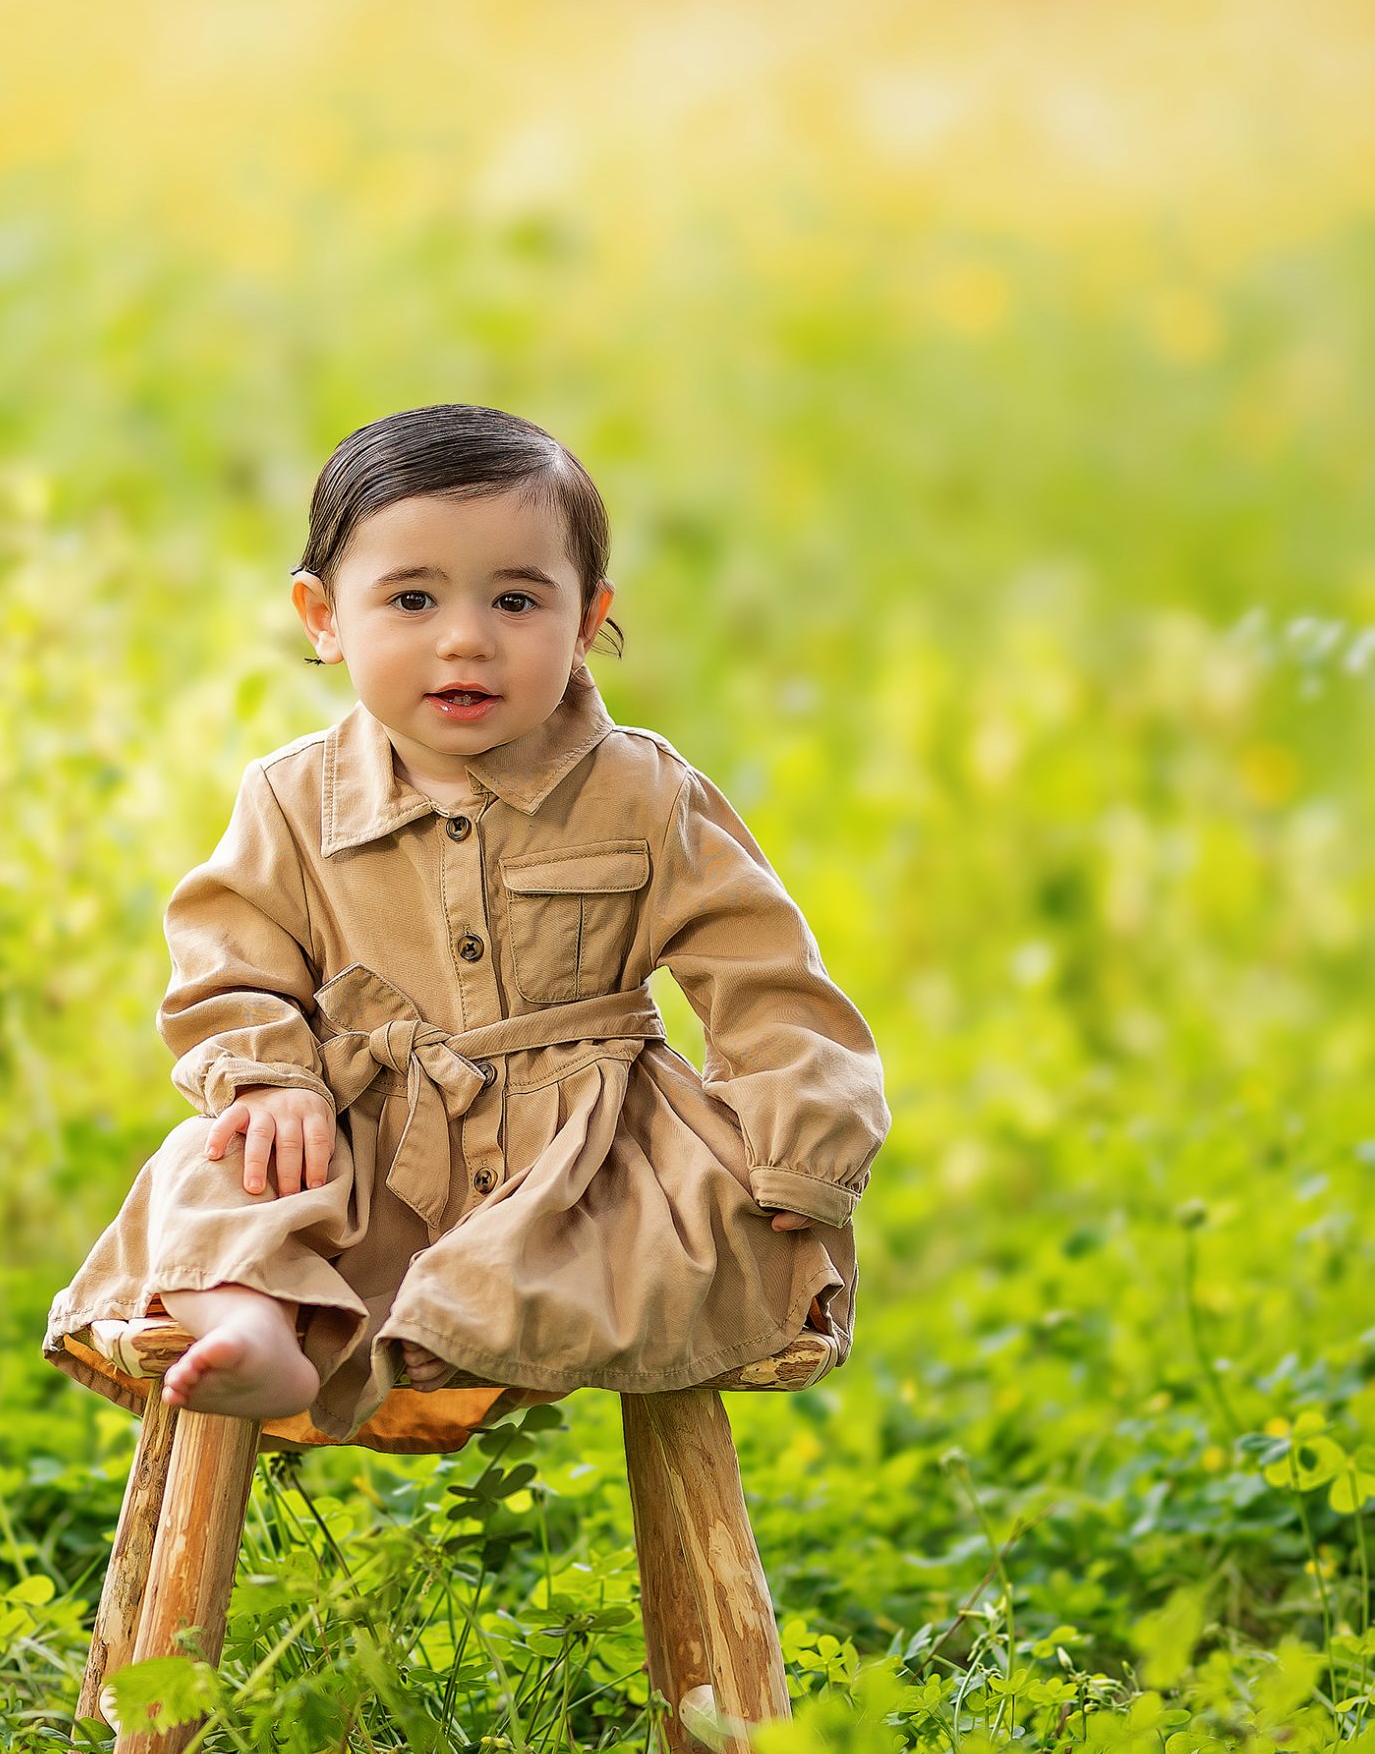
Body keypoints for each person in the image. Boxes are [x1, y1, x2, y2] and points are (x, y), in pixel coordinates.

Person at [43, 404, 891, 1454]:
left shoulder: (642, 794)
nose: (465, 639)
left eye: (516, 599)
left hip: (586, 1158)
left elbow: (766, 978)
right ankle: (250, 1321)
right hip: (367, 1141)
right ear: (322, 616)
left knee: (676, 1229)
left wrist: (798, 1145)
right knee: (205, 1168)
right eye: (409, 597)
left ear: (586, 619)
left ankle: (459, 1325)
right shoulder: (291, 800)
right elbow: (230, 963)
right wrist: (271, 1080)